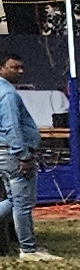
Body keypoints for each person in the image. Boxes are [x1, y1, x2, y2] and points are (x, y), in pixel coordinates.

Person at [0, 46, 42, 259]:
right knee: (22, 203)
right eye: (14, 67)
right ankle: (28, 249)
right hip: (12, 153)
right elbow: (11, 127)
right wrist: (23, 155)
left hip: (4, 151)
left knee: (14, 200)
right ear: (1, 68)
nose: (20, 71)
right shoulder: (6, 94)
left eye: (22, 68)